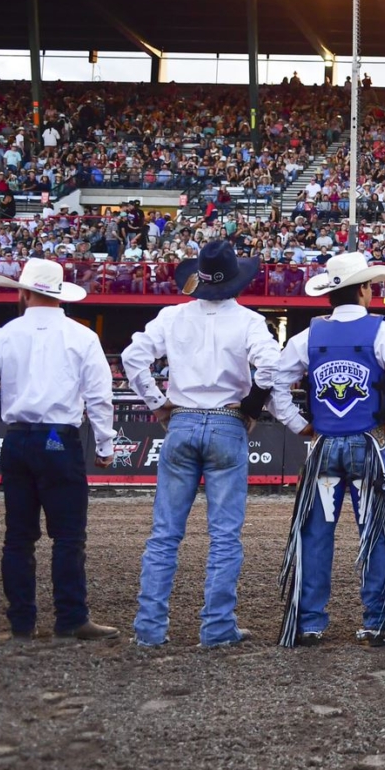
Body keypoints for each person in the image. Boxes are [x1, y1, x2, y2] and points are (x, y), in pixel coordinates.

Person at [122, 241, 279, 649]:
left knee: (164, 535)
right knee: (224, 536)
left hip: (183, 420)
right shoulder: (249, 321)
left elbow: (133, 358)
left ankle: (150, 630)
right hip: (227, 423)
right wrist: (249, 408)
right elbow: (272, 368)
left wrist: (158, 404)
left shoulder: (172, 316)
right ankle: (216, 627)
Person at [268, 252, 385, 647]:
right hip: (368, 442)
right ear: (364, 290)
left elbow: (275, 385)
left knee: (316, 534)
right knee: (375, 531)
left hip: (323, 446)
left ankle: (308, 621)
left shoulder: (307, 336)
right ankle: (378, 619)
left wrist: (299, 424)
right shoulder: (383, 332)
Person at [0, 259, 118, 641]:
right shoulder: (81, 336)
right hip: (57, 438)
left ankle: (22, 622)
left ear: (23, 292)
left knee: (18, 536)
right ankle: (70, 618)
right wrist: (105, 444)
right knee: (68, 536)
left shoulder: (4, 334)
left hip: (17, 437)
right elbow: (100, 396)